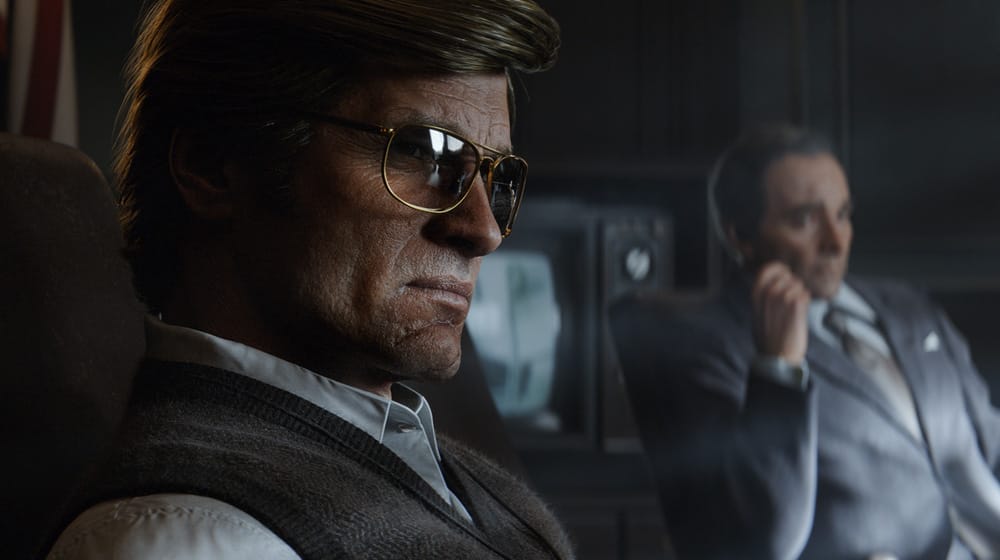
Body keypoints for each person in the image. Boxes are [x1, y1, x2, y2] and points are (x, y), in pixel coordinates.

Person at [45, 1, 572, 559]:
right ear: (211, 165)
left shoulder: (460, 475)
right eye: (421, 152)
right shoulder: (191, 540)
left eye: (495, 175)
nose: (484, 230)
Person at [614, 124, 1000, 559]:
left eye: (843, 215)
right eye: (804, 220)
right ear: (740, 236)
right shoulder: (705, 344)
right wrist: (779, 367)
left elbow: (989, 440)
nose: (835, 242)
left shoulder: (907, 306)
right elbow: (764, 539)